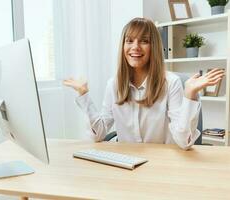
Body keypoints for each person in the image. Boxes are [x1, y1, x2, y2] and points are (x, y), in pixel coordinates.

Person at [63, 17, 224, 150]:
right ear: (123, 46)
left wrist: (190, 94)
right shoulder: (114, 84)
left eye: (144, 41)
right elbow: (98, 134)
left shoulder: (171, 83)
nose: (135, 47)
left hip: (163, 165)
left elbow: (184, 141)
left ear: (153, 46)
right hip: (127, 163)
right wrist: (84, 95)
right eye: (129, 41)